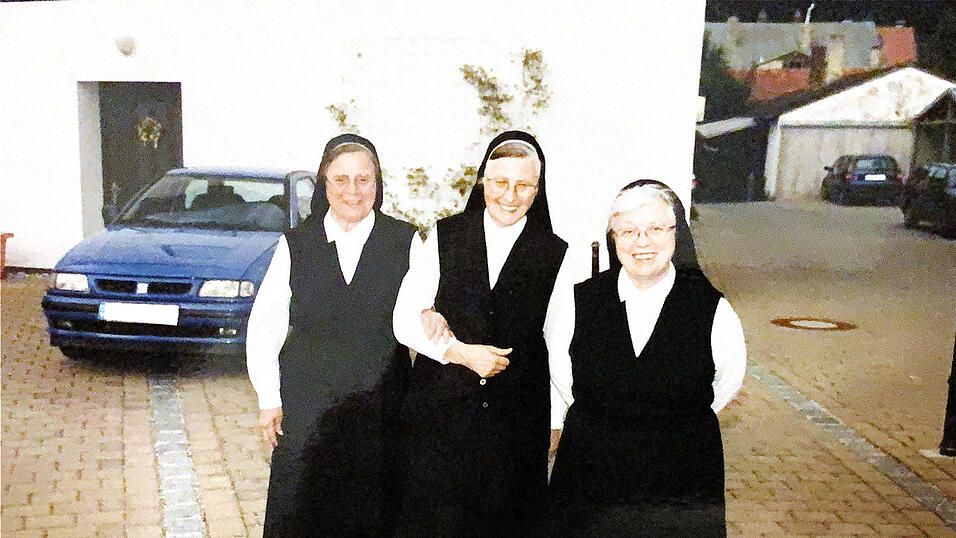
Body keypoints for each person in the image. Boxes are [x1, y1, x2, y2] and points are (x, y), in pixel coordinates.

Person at [392, 130, 574, 536]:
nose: (510, 195)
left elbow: (560, 341)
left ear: (537, 189)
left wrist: (559, 417)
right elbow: (405, 319)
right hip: (440, 411)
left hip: (516, 419)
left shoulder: (557, 254)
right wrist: (458, 351)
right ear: (484, 183)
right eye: (500, 183)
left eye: (523, 185)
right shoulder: (444, 237)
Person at [547, 179, 746, 537]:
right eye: (628, 231)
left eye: (655, 228)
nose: (642, 242)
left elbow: (726, 383)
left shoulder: (712, 309)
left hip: (680, 474)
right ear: (614, 238)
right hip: (593, 467)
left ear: (675, 234)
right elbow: (564, 374)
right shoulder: (580, 302)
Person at [245, 134, 418, 536]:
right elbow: (265, 326)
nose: (353, 191)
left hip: (380, 406)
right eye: (341, 180)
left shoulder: (406, 242)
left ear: (378, 184)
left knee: (374, 514)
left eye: (364, 180)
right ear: (324, 183)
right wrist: (269, 400)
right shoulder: (297, 245)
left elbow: (424, 315)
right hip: (309, 406)